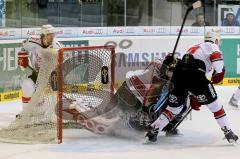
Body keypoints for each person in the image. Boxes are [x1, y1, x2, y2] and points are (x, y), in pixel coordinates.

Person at [145, 31, 239, 144]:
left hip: (178, 77)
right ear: (217, 40)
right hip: (196, 77)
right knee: (216, 106)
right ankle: (228, 132)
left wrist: (193, 93)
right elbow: (217, 66)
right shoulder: (212, 46)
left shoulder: (194, 47)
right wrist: (221, 70)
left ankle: (153, 132)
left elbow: (183, 67)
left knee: (173, 109)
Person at [17, 24, 62, 115]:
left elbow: (62, 62)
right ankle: (26, 113)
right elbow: (22, 45)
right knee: (27, 84)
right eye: (49, 35)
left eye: (53, 35)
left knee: (53, 96)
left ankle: (51, 113)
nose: (52, 37)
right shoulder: (32, 41)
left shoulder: (57, 46)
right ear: (43, 35)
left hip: (52, 75)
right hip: (37, 73)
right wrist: (22, 56)